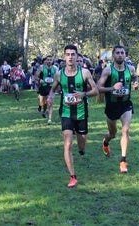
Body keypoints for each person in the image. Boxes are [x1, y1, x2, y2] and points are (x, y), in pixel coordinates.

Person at [47, 44, 98, 188]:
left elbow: (96, 91)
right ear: (64, 57)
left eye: (73, 54)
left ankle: (81, 149)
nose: (70, 57)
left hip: (81, 112)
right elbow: (52, 90)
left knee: (81, 144)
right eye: (67, 54)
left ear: (77, 57)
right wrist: (51, 97)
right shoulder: (59, 74)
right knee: (68, 143)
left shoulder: (85, 73)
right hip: (66, 113)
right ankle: (73, 177)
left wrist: (84, 94)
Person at [97, 45, 139, 173]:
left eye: (122, 53)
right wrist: (112, 89)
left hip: (126, 104)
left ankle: (123, 161)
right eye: (118, 53)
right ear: (113, 55)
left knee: (125, 130)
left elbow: (135, 77)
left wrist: (136, 82)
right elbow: (99, 88)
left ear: (125, 55)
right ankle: (105, 142)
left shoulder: (131, 68)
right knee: (113, 134)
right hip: (112, 106)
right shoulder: (108, 71)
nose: (120, 55)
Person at [35, 55, 58, 124]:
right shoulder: (41, 68)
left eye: (50, 60)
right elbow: (36, 76)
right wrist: (40, 80)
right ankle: (44, 111)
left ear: (52, 61)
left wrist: (57, 84)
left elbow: (58, 77)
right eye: (48, 60)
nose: (49, 61)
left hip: (52, 87)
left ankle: (50, 119)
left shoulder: (55, 68)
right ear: (46, 61)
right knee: (43, 103)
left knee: (50, 103)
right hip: (43, 87)